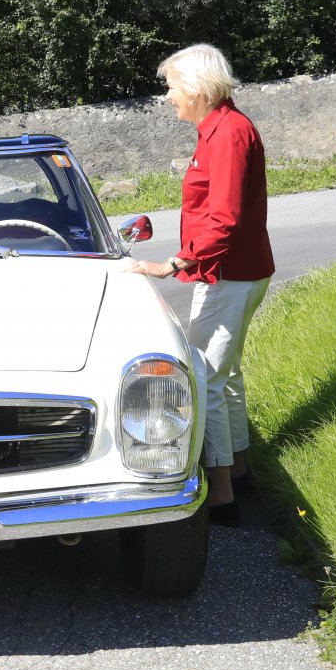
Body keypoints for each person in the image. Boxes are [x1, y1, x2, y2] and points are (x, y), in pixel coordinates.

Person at [127, 43, 274, 526]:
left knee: (203, 377)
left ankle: (222, 495)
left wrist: (172, 264)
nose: (168, 96)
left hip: (228, 273)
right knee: (225, 375)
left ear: (195, 87)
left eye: (171, 86)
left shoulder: (227, 133)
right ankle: (241, 471)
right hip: (233, 271)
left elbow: (225, 220)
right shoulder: (219, 128)